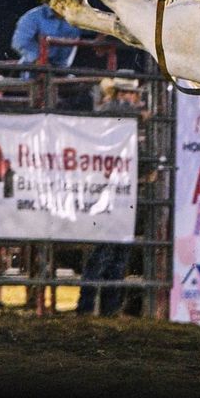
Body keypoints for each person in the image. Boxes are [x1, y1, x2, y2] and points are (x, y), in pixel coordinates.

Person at [76, 73, 145, 316]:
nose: (131, 98)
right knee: (104, 256)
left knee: (113, 257)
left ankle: (104, 309)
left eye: (132, 93)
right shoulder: (113, 115)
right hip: (107, 195)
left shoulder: (124, 121)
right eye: (127, 93)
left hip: (117, 195)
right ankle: (95, 309)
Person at [11, 0, 81, 76]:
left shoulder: (77, 19)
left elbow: (94, 29)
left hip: (62, 72)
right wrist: (38, 59)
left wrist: (102, 33)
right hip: (34, 72)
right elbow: (20, 42)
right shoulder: (33, 17)